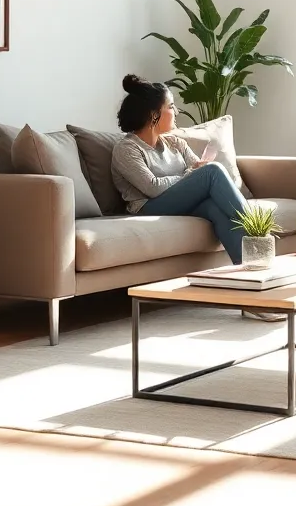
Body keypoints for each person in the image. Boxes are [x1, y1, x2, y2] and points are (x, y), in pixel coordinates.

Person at [110, 75, 275, 322]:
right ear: (154, 114)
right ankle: (257, 231)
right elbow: (152, 188)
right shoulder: (127, 149)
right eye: (171, 106)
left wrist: (192, 173)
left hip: (177, 202)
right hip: (149, 207)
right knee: (213, 171)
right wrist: (190, 174)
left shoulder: (174, 142)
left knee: (215, 209)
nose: (176, 111)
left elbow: (194, 174)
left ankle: (252, 293)